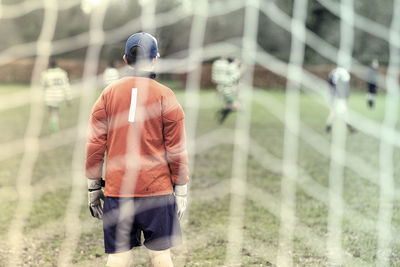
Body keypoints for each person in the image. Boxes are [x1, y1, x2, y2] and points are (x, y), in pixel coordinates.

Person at [85, 32, 189, 267]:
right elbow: (177, 148)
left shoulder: (108, 94)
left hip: (118, 190)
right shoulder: (166, 95)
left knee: (118, 256)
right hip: (157, 190)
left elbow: (94, 144)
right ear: (155, 59)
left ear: (124, 59)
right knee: (161, 255)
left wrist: (93, 186)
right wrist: (181, 189)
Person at [40, 58, 71, 132]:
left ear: (49, 64)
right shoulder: (62, 73)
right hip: (58, 96)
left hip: (49, 96)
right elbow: (66, 86)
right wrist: (68, 98)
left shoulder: (45, 73)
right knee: (54, 112)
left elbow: (42, 87)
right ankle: (54, 128)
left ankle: (55, 129)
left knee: (53, 113)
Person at [212, 57, 241, 124]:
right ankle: (222, 112)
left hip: (229, 90)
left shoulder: (233, 68)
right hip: (228, 91)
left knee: (231, 106)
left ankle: (222, 114)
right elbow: (228, 79)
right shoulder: (231, 68)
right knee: (235, 106)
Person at [326, 67, 355, 133]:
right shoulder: (343, 76)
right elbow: (345, 90)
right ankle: (350, 128)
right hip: (339, 99)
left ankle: (328, 128)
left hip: (334, 98)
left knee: (335, 113)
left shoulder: (334, 74)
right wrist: (345, 99)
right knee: (342, 113)